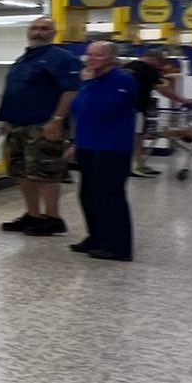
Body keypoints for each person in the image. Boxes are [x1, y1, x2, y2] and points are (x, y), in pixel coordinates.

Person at [0, 14, 80, 235]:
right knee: (21, 172)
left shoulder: (61, 58)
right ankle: (32, 215)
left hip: (43, 124)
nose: (38, 32)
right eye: (34, 28)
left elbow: (71, 90)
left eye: (44, 28)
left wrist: (57, 120)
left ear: (53, 33)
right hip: (17, 124)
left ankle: (52, 218)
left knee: (45, 173)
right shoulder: (25, 58)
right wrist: (8, 120)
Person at [70, 40, 138, 261]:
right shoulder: (89, 81)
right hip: (88, 144)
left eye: (97, 55)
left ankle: (118, 247)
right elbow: (79, 108)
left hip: (112, 147)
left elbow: (104, 108)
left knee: (110, 196)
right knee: (88, 195)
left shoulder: (123, 80)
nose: (91, 59)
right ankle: (96, 237)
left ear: (111, 58)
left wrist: (89, 85)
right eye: (89, 55)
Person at [124, 46, 173, 176]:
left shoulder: (129, 66)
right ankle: (135, 166)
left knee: (134, 137)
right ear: (154, 58)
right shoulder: (149, 69)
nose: (160, 66)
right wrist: (182, 100)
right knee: (138, 137)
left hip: (125, 108)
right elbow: (162, 90)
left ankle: (139, 164)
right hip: (138, 108)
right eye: (160, 62)